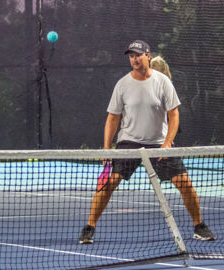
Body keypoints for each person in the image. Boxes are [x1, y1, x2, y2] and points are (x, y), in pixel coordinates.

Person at [79, 40, 215, 244]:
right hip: (129, 143)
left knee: (184, 183)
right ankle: (89, 228)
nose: (134, 59)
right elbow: (112, 118)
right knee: (108, 183)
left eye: (138, 55)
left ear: (148, 56)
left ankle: (199, 226)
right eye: (131, 55)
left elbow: (174, 115)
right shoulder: (123, 84)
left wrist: (168, 142)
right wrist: (107, 149)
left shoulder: (163, 82)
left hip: (159, 143)